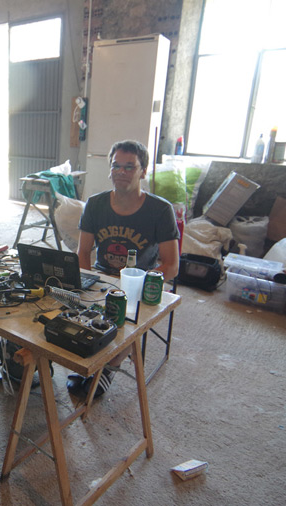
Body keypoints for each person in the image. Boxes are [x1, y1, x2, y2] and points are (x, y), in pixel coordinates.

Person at [68, 139, 180, 398]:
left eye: (129, 167)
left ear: (143, 171)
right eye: (116, 165)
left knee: (126, 320)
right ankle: (87, 358)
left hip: (139, 283)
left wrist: (140, 285)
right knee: (68, 309)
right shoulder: (95, 204)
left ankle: (108, 367)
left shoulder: (160, 210)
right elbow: (83, 252)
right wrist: (87, 283)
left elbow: (171, 266)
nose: (120, 172)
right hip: (101, 276)